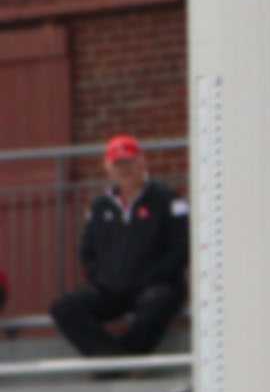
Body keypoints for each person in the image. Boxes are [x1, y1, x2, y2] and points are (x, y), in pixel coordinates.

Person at [50, 137, 189, 359]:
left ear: (142, 162)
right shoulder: (99, 207)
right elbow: (88, 252)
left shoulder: (167, 199)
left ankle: (122, 359)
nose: (125, 170)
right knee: (64, 308)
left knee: (158, 303)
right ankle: (113, 359)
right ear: (108, 168)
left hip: (155, 287)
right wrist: (103, 278)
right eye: (118, 164)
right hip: (112, 289)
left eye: (130, 162)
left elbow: (181, 248)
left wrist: (152, 277)